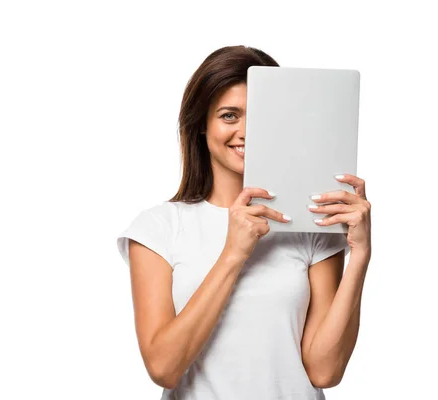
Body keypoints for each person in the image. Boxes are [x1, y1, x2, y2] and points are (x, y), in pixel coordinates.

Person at [116, 45, 372, 399]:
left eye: (262, 115)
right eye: (229, 115)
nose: (246, 132)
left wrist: (359, 254)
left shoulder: (312, 225)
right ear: (201, 126)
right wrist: (234, 253)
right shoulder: (158, 228)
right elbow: (164, 367)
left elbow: (324, 371)